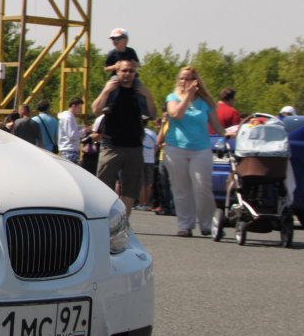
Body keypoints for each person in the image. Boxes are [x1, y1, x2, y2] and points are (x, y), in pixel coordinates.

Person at [163, 66, 224, 237]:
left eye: (188, 78)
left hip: (201, 149)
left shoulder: (205, 103)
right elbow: (175, 114)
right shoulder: (172, 98)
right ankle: (185, 224)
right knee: (181, 188)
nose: (184, 82)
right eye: (182, 78)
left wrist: (227, 133)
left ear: (195, 81)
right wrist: (188, 96)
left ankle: (207, 224)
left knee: (202, 186)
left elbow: (217, 125)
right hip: (176, 148)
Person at [91, 58, 157, 214]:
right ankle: (103, 220)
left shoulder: (139, 93)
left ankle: (123, 224)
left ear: (135, 73)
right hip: (111, 146)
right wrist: (106, 91)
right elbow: (95, 110)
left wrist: (147, 95)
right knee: (103, 187)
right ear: (117, 72)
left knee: (130, 190)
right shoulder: (112, 90)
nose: (127, 74)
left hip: (134, 147)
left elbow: (153, 114)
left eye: (131, 71)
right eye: (124, 71)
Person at [57, 96, 84, 163]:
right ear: (73, 106)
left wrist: (81, 127)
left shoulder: (70, 117)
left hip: (69, 150)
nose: (80, 110)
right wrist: (84, 131)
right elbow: (72, 136)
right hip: (69, 150)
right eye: (79, 108)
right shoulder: (68, 118)